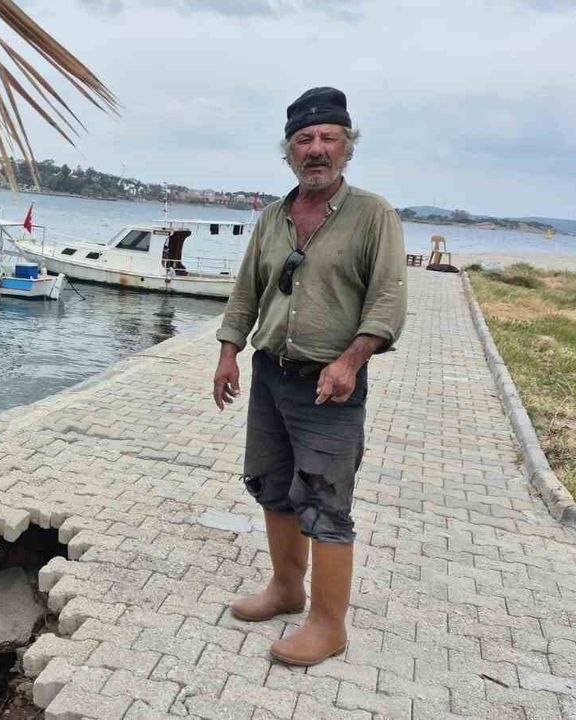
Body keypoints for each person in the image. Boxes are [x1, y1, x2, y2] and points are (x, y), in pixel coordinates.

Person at [212, 87, 407, 666]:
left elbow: (388, 300)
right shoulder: (273, 218)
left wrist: (351, 361)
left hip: (331, 385)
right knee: (271, 485)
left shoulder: (373, 215)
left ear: (347, 146)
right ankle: (285, 588)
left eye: (328, 138)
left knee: (325, 498)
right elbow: (247, 292)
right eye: (304, 139)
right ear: (289, 151)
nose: (316, 149)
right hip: (271, 374)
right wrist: (228, 352)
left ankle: (328, 625)